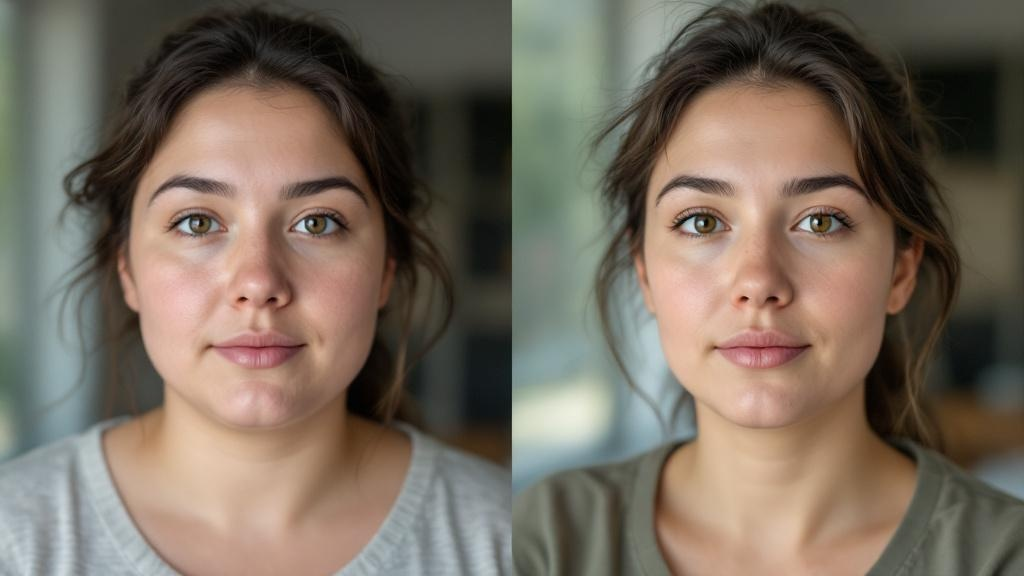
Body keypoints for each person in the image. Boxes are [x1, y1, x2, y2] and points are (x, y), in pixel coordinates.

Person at [513, 3, 1024, 575]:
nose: (758, 282)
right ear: (644, 271)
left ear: (901, 272)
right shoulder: (547, 539)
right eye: (702, 222)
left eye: (821, 221)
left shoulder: (1001, 555)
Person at [0, 6, 510, 575]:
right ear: (127, 268)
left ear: (387, 266)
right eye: (197, 222)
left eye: (317, 222)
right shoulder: (16, 537)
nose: (259, 283)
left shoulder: (503, 539)